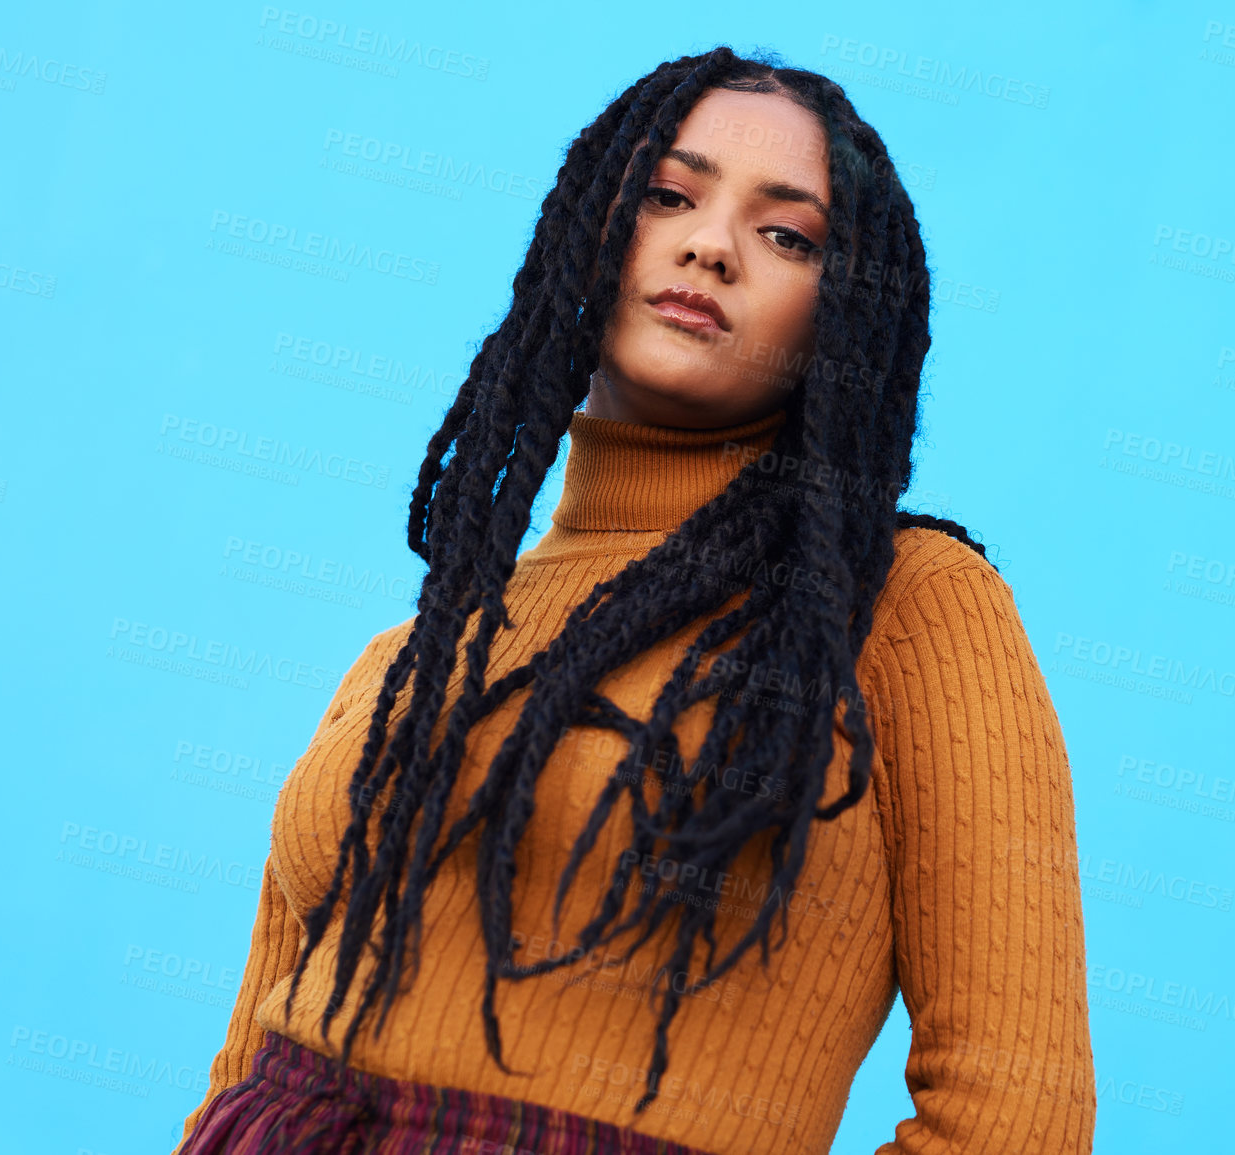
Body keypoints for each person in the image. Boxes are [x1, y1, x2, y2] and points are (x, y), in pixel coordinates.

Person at [176, 45, 1094, 1155]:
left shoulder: (905, 609)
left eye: (787, 234)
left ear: (841, 317)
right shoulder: (430, 645)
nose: (709, 244)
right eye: (670, 195)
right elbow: (249, 1057)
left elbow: (1015, 1119)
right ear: (591, 234)